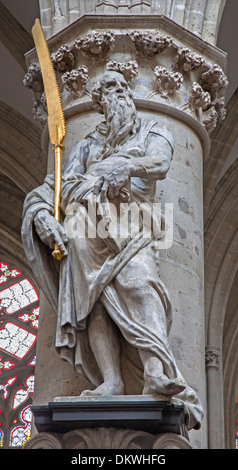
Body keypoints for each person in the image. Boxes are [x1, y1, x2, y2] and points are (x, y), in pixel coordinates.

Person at [21, 71, 203, 430]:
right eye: (108, 90)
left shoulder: (154, 130)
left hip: (130, 227)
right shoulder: (86, 145)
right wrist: (43, 215)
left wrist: (126, 165)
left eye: (121, 87)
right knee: (94, 305)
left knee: (140, 285)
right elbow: (57, 187)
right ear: (99, 101)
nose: (117, 94)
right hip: (84, 232)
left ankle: (156, 371)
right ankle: (112, 381)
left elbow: (160, 164)